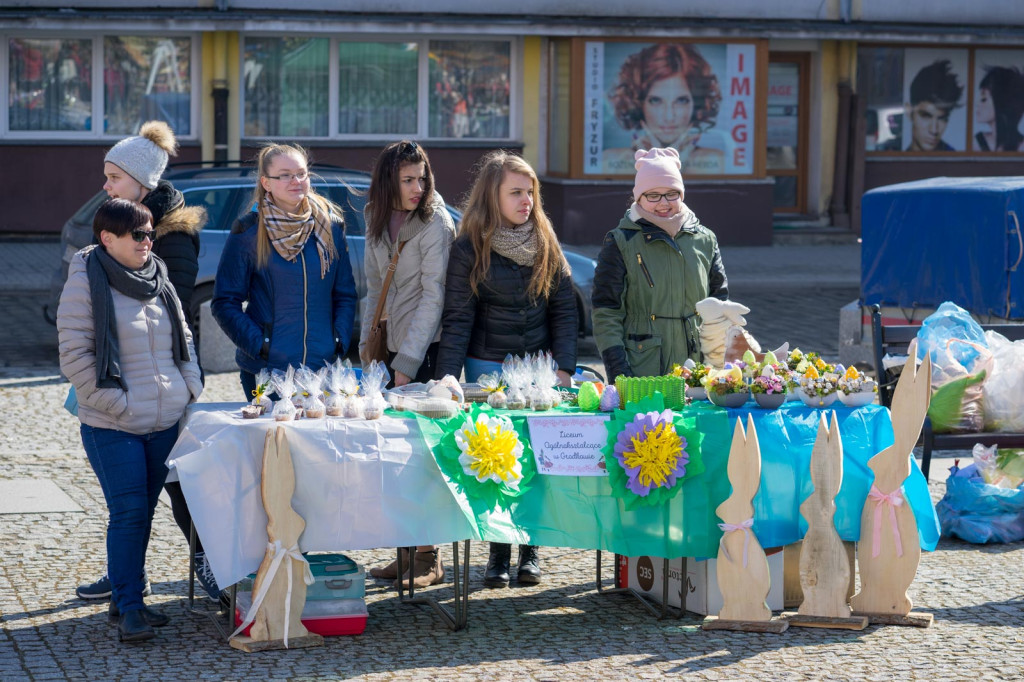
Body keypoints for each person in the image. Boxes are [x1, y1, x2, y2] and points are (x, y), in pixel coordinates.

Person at [76, 120, 214, 603]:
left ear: (142, 183)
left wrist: (183, 388)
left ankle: (211, 568)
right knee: (129, 499)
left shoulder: (169, 237)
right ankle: (126, 576)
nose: (106, 185)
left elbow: (168, 318)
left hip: (161, 385)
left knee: (180, 490)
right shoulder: (119, 226)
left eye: (114, 178)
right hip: (119, 383)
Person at [58, 198, 204, 642]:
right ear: (107, 239)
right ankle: (131, 608)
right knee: (128, 512)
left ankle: (124, 602)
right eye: (137, 235)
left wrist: (188, 390)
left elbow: (185, 339)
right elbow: (75, 358)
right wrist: (119, 404)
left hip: (163, 422)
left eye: (149, 233)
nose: (148, 241)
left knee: (142, 517)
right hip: (112, 424)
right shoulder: (85, 279)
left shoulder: (158, 275)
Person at [435, 150, 578, 588]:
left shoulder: (546, 241)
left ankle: (530, 551)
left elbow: (564, 312)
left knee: (535, 460)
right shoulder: (469, 247)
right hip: (486, 370)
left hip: (540, 374)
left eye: (530, 192)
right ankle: (497, 551)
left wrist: (566, 370)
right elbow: (458, 318)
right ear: (491, 196)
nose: (526, 201)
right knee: (497, 462)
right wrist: (446, 376)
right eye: (516, 192)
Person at [360, 140, 456, 589]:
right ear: (388, 181)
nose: (418, 187)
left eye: (422, 177)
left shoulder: (436, 221)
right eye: (408, 180)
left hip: (425, 351)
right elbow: (373, 287)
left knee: (426, 457)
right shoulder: (375, 216)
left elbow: (434, 296)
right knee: (392, 456)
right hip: (389, 350)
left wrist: (408, 362)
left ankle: (428, 557)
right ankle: (403, 551)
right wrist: (368, 353)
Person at [212, 143, 358, 398]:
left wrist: (338, 342)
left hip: (321, 370)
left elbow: (345, 294)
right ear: (266, 182)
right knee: (272, 438)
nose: (296, 181)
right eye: (285, 175)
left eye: (301, 173)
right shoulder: (248, 232)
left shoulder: (330, 229)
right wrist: (261, 346)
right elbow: (225, 302)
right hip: (267, 371)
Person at [592, 147, 729, 384]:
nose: (663, 203)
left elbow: (720, 306)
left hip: (696, 368)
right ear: (639, 198)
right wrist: (620, 375)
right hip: (643, 368)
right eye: (653, 195)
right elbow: (606, 313)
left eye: (671, 194)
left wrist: (715, 364)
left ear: (681, 194)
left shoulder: (705, 239)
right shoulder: (621, 241)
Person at [603, 43, 725, 175]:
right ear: (638, 104)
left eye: (681, 101)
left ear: (696, 104)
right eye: (656, 101)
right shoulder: (612, 160)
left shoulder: (715, 161)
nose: (669, 117)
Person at [901, 59, 963, 152]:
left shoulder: (954, 159)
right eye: (926, 116)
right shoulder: (895, 153)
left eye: (942, 119)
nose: (934, 130)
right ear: (909, 112)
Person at [974, 66, 1024, 152]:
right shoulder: (976, 142)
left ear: (1003, 103)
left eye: (984, 99)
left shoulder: (1021, 147)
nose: (977, 104)